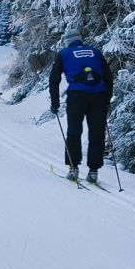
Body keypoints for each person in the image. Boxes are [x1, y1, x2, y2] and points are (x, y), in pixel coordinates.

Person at [49, 30, 113, 183]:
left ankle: (73, 168)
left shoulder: (64, 54)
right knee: (97, 133)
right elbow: (108, 77)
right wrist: (107, 99)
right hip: (98, 96)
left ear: (67, 42)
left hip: (77, 96)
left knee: (74, 132)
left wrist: (55, 103)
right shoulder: (95, 52)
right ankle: (93, 171)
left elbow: (54, 80)